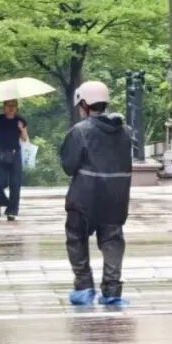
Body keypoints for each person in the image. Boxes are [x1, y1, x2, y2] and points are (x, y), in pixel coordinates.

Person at [59, 80, 133, 307]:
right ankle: (112, 291)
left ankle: (83, 287)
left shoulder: (80, 131)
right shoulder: (125, 131)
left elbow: (69, 166)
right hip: (116, 196)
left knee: (76, 238)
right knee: (112, 240)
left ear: (84, 103)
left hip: (85, 196)